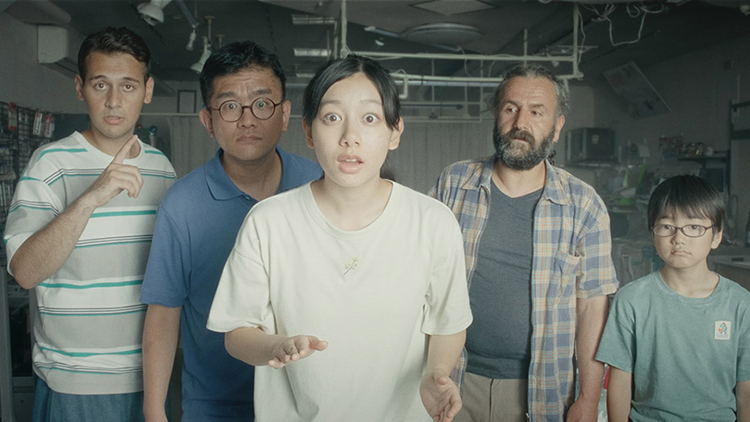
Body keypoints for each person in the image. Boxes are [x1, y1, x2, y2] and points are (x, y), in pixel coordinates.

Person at [205, 54, 473, 422]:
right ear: (309, 131)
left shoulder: (433, 222)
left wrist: (435, 373)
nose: (350, 137)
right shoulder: (268, 222)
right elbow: (236, 333)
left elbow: (448, 323)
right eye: (332, 118)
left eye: (369, 118)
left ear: (395, 132)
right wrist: (275, 346)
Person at [139, 41, 322, 422]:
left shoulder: (319, 185)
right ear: (208, 121)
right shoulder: (182, 205)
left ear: (285, 114)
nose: (247, 120)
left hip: (306, 401)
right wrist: (154, 410)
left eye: (262, 103)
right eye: (230, 106)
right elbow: (164, 313)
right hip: (216, 406)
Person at [3, 27, 175, 422]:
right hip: (74, 383)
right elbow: (25, 272)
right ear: (80, 88)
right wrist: (91, 197)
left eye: (128, 86)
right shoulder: (49, 165)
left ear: (147, 90)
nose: (114, 100)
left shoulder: (162, 169)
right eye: (101, 85)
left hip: (150, 380)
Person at [430, 64, 618, 422]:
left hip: (543, 389)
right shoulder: (454, 184)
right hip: (452, 379)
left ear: (557, 126)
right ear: (496, 115)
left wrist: (589, 398)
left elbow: (592, 308)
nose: (520, 123)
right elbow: (417, 276)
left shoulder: (584, 205)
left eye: (536, 112)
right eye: (510, 108)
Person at [596, 175, 750, 422]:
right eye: (667, 226)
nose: (679, 238)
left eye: (694, 227)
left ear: (717, 235)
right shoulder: (631, 300)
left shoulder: (741, 304)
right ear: (653, 233)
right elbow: (620, 380)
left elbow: (746, 389)